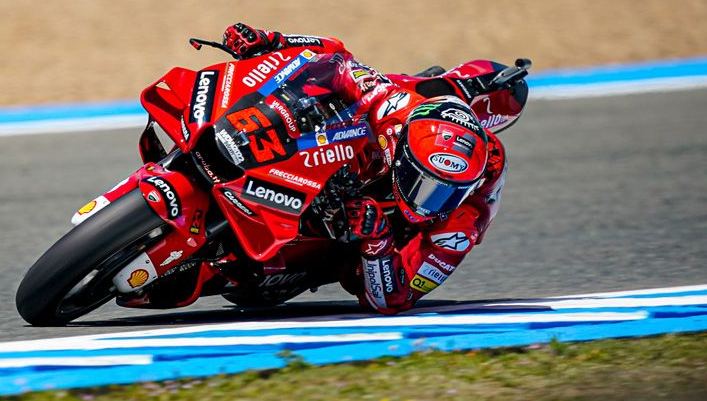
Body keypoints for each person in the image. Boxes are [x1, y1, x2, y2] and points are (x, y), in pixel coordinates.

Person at [220, 22, 525, 315]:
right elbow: (336, 56)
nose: (425, 201)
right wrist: (270, 42)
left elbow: (394, 299)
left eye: (442, 193)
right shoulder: (396, 106)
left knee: (297, 272)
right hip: (342, 156)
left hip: (360, 236)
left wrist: (377, 240)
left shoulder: (463, 222)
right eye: (423, 183)